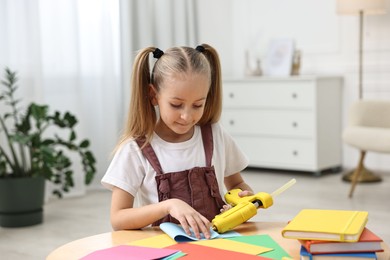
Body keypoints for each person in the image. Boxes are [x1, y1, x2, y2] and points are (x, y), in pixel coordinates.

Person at [101, 43, 253, 239]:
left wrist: (243, 201)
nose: (187, 116)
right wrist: (169, 205)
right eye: (176, 105)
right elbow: (118, 218)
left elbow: (237, 184)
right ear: (153, 95)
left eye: (198, 105)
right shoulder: (135, 149)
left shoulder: (215, 135)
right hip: (165, 249)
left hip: (217, 244)